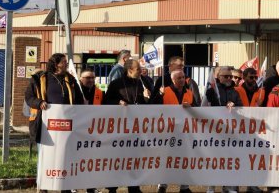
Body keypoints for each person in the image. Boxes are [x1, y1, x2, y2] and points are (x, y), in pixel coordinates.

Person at [25, 53, 84, 193]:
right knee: (46, 156)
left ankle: (65, 187)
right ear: (56, 64)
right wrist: (39, 103)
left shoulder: (70, 79)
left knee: (65, 155)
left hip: (67, 126)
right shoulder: (39, 79)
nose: (66, 64)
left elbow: (79, 100)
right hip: (45, 126)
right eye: (64, 61)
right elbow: (29, 97)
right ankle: (43, 187)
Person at [104, 59, 147, 193]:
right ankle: (112, 187)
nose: (141, 71)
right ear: (129, 70)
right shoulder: (116, 84)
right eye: (138, 69)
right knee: (117, 159)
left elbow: (141, 103)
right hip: (119, 127)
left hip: (135, 127)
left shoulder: (139, 82)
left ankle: (133, 186)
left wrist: (145, 98)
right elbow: (106, 102)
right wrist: (118, 102)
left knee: (134, 159)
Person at [154, 69, 195, 193]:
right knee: (166, 159)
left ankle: (184, 186)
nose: (182, 80)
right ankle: (162, 185)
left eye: (183, 77)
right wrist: (158, 96)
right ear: (173, 79)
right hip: (167, 132)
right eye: (179, 78)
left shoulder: (189, 93)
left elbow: (197, 109)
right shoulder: (164, 92)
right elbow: (153, 107)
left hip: (184, 132)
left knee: (184, 159)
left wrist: (191, 108)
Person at [205, 66, 242, 193]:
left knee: (229, 160)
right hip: (214, 131)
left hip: (230, 132)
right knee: (214, 161)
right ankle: (211, 187)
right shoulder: (211, 91)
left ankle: (228, 187)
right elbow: (204, 108)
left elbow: (241, 108)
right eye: (225, 76)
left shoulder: (235, 92)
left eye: (230, 76)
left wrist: (235, 105)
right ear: (218, 77)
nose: (228, 78)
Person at [80, 69, 103, 193]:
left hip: (94, 132)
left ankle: (91, 187)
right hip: (79, 131)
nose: (90, 80)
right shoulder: (76, 91)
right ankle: (74, 185)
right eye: (88, 77)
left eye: (93, 78)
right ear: (81, 78)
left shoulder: (99, 92)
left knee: (92, 161)